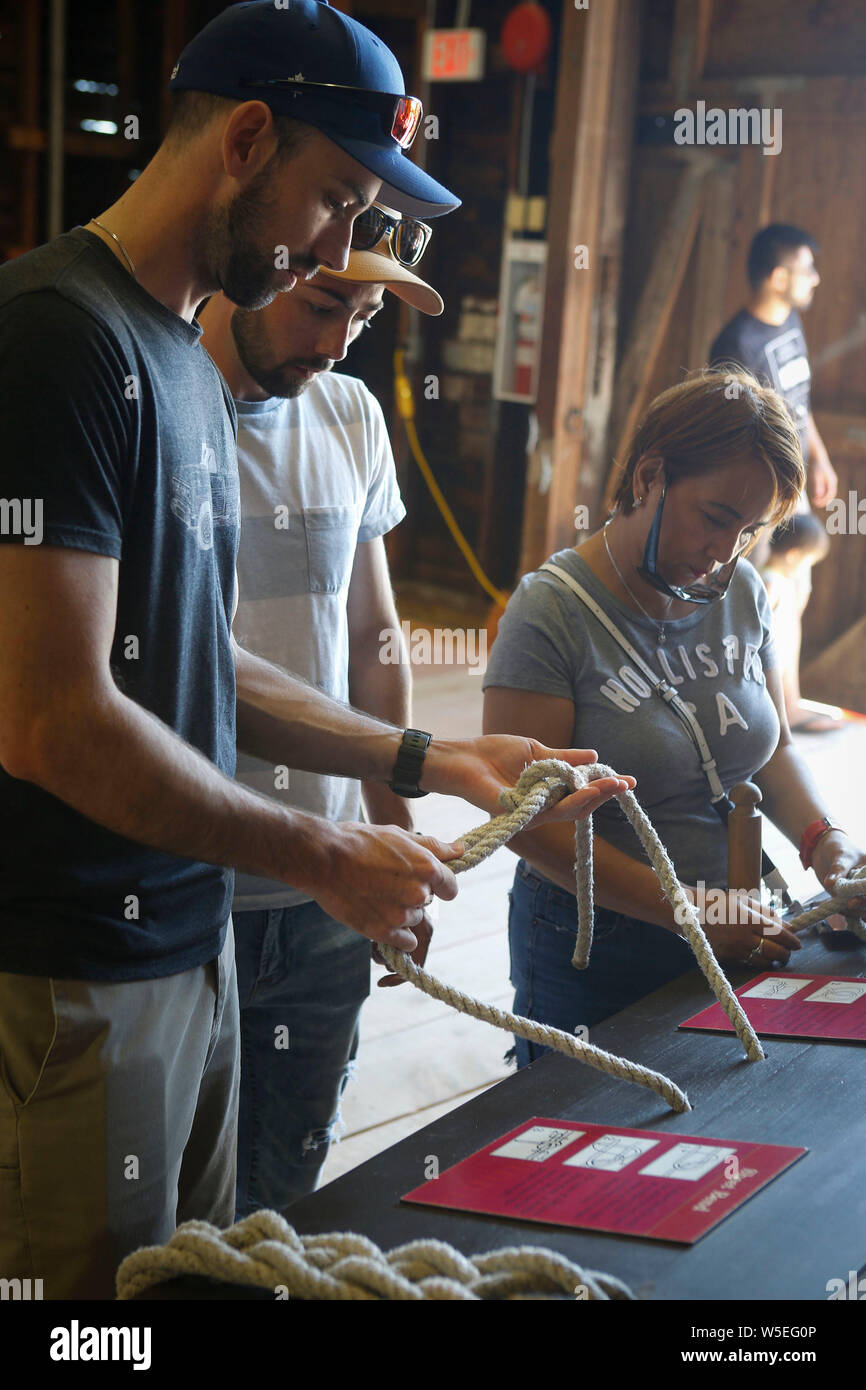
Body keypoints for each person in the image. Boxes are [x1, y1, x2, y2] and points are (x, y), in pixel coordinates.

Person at [0, 1, 629, 1299]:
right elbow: (52, 716)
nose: (338, 250)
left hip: (191, 946)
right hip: (70, 965)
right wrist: (321, 852)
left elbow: (194, 658)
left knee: (201, 1276)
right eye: (337, 199)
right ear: (244, 139)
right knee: (88, 1315)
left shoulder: (178, 358)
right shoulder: (54, 338)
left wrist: (425, 755)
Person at [482, 369, 866, 1066]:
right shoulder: (551, 612)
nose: (725, 553)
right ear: (650, 476)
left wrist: (825, 842)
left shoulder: (741, 590)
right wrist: (688, 910)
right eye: (715, 517)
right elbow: (528, 822)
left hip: (740, 922)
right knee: (595, 1120)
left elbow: (771, 749)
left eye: (749, 531)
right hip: (601, 945)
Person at [199, 214, 445, 1213]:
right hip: (192, 881)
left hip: (331, 888)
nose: (341, 341)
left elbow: (372, 634)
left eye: (367, 315)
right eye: (324, 304)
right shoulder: (154, 405)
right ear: (262, 262)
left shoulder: (350, 414)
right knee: (175, 1209)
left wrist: (396, 833)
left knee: (287, 1189)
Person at [709, 223, 840, 731]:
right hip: (763, 495)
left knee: (795, 589)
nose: (816, 279)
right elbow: (733, 437)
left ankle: (790, 704)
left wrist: (820, 458)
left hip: (796, 484)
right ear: (778, 276)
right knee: (761, 593)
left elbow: (798, 406)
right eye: (807, 270)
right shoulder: (736, 344)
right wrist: (771, 505)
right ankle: (761, 715)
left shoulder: (789, 323)